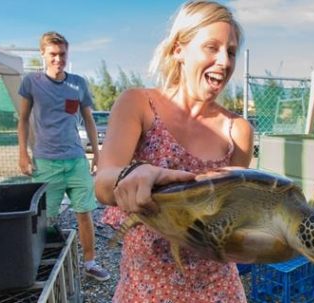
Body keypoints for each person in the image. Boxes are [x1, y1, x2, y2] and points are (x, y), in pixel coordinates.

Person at [95, 1, 254, 301]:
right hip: (146, 288)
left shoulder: (238, 131)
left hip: (218, 289)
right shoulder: (138, 104)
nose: (224, 61)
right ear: (179, 49)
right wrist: (132, 174)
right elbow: (103, 184)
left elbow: (234, 215)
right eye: (212, 47)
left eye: (231, 51)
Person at [17, 31, 110, 282]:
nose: (58, 59)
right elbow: (23, 120)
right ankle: (39, 263)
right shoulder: (31, 82)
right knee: (46, 217)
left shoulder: (78, 83)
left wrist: (97, 154)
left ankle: (90, 263)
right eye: (53, 54)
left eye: (62, 54)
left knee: (85, 212)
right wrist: (23, 154)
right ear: (43, 54)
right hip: (46, 160)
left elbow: (89, 118)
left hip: (76, 159)